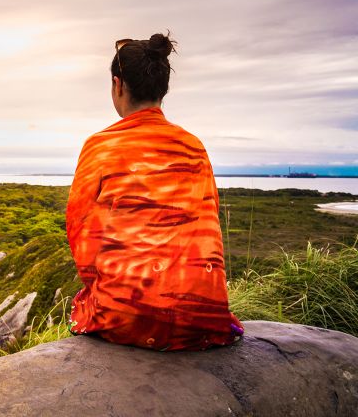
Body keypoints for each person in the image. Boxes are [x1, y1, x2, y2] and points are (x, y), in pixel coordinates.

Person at [66, 32, 243, 351]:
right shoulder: (193, 146)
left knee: (88, 302)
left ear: (117, 85)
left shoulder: (101, 146)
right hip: (199, 317)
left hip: (126, 317)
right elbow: (207, 227)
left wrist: (105, 287)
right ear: (163, 89)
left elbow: (81, 231)